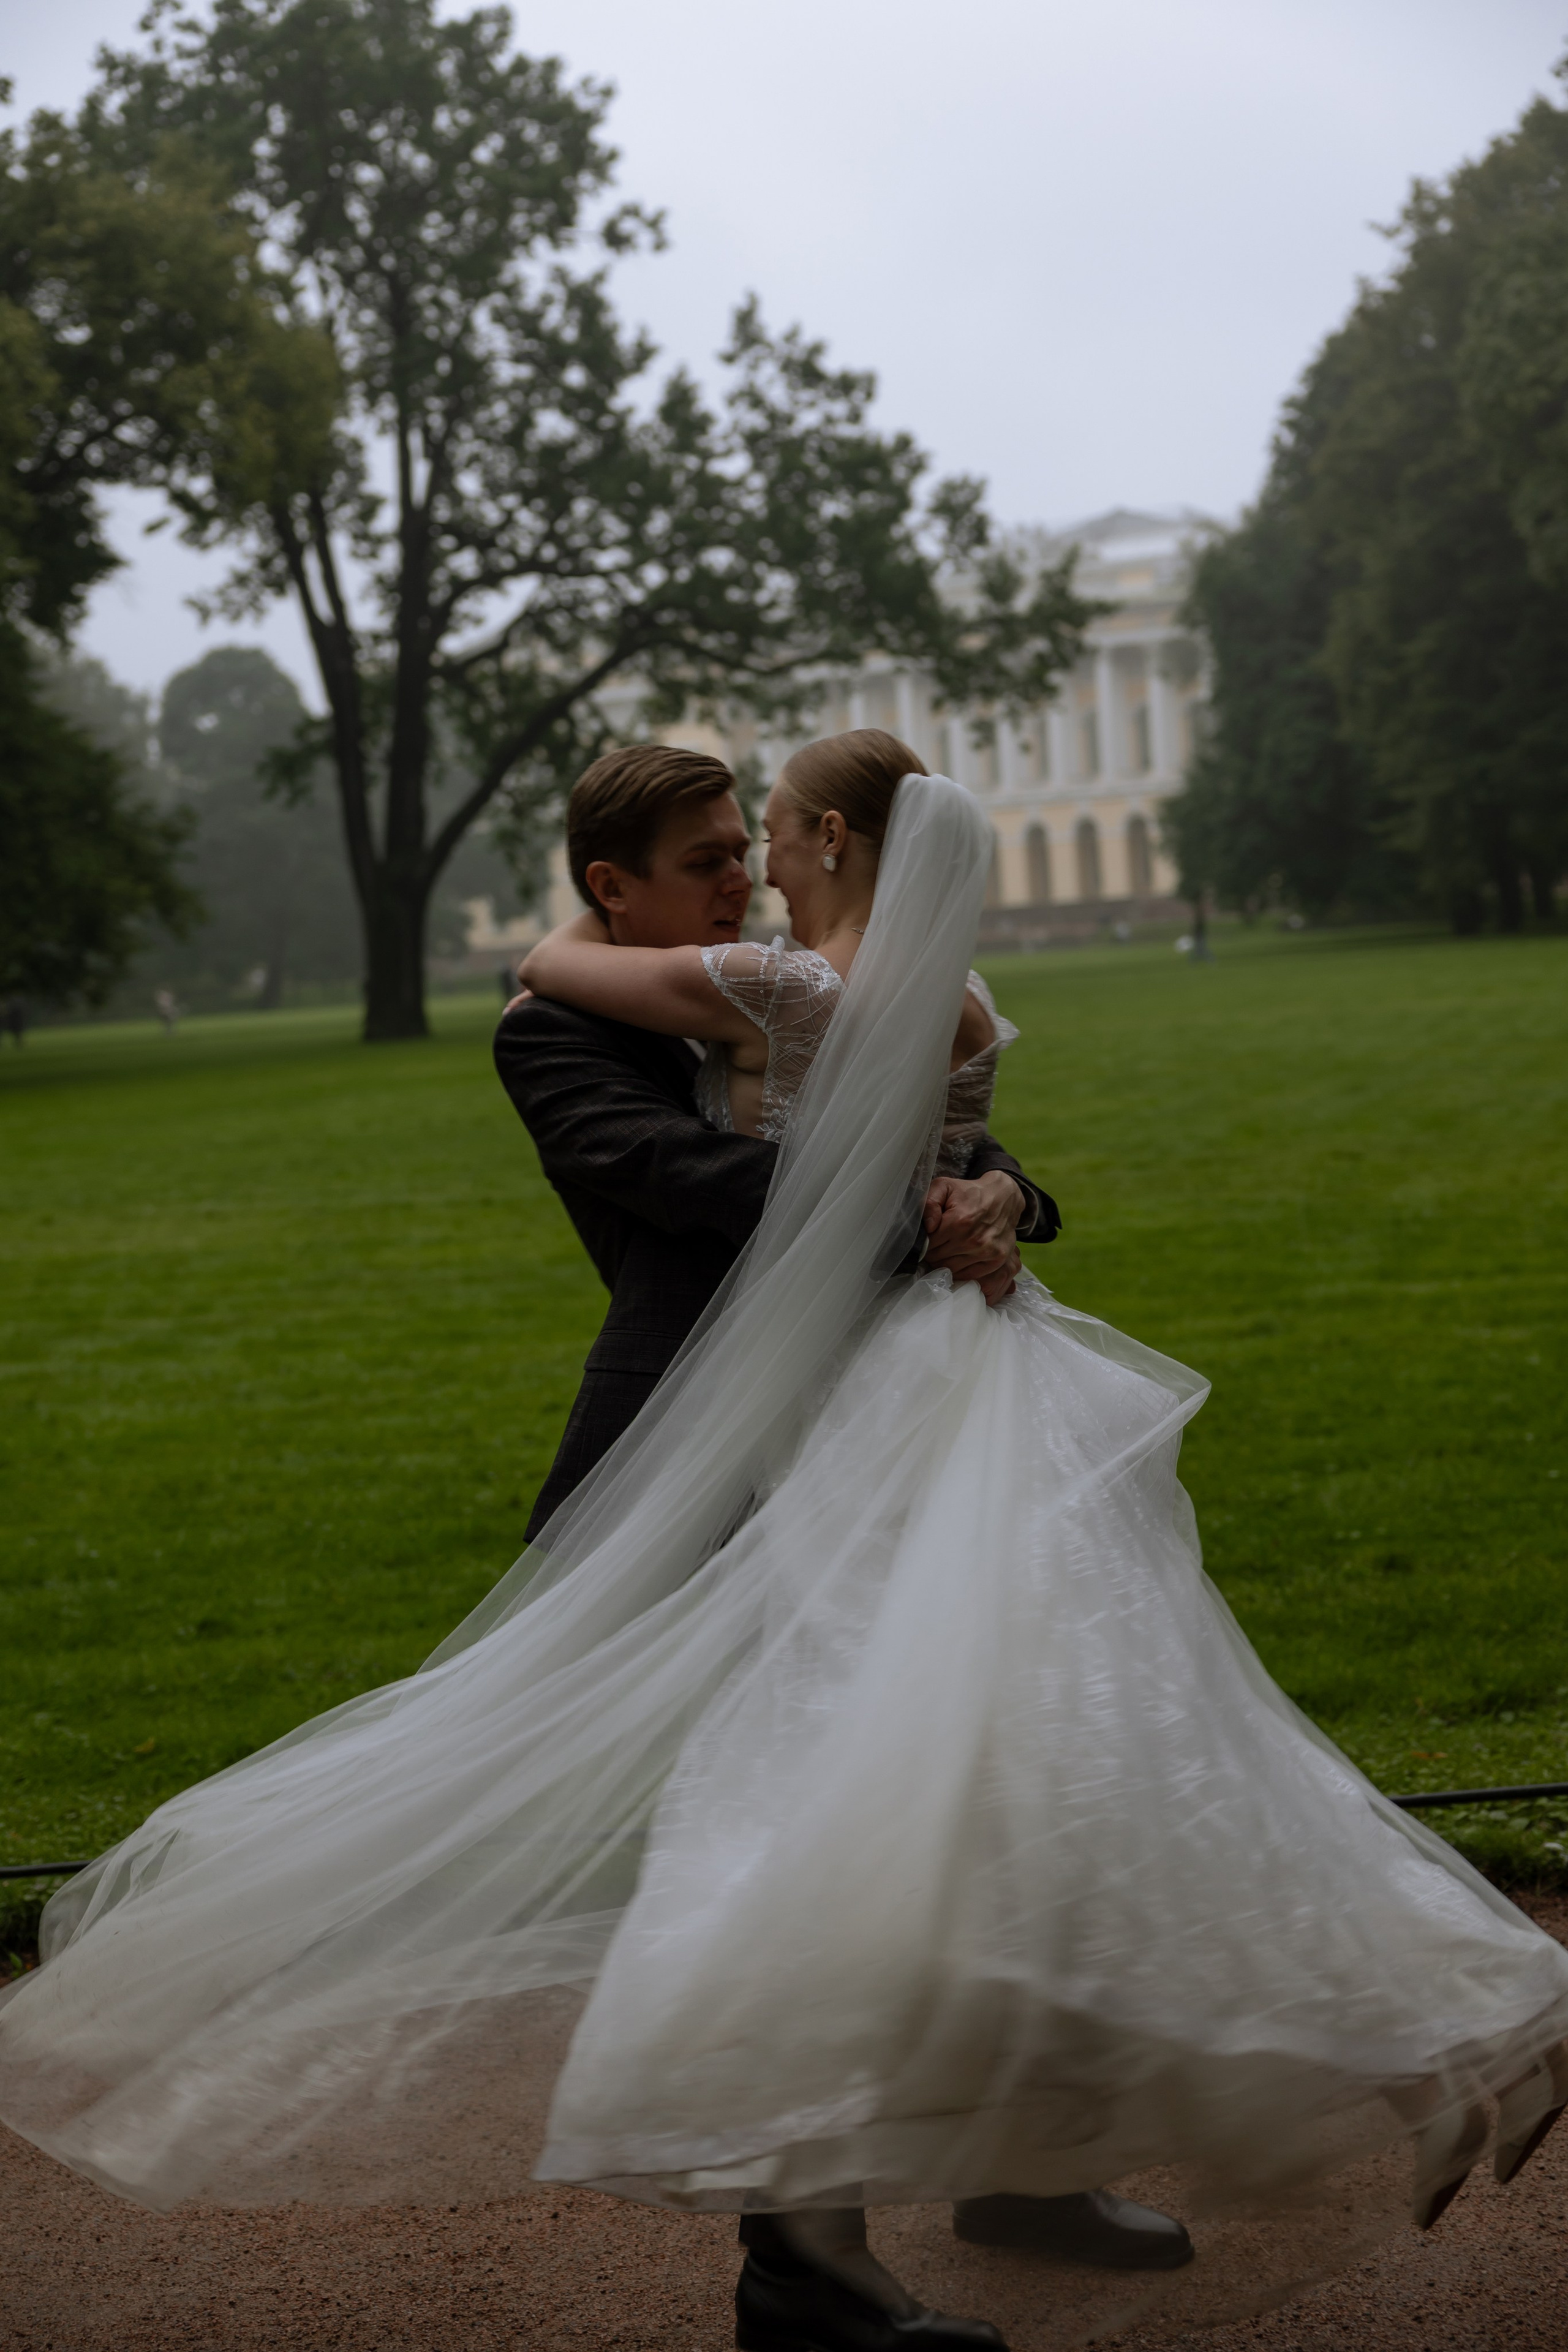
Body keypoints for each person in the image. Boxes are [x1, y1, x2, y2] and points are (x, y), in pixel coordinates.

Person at [3, 740, 1566, 2352]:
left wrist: (1000, 1198)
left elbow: (950, 1124)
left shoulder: (800, 976)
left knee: (993, 1799)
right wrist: (936, 1210)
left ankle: (1018, 2160)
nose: (740, 875)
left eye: (746, 847)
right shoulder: (552, 1028)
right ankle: (805, 2272)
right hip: (712, 1464)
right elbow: (692, 1185)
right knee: (798, 1829)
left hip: (894, 1430)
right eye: (700, 860)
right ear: (612, 890)